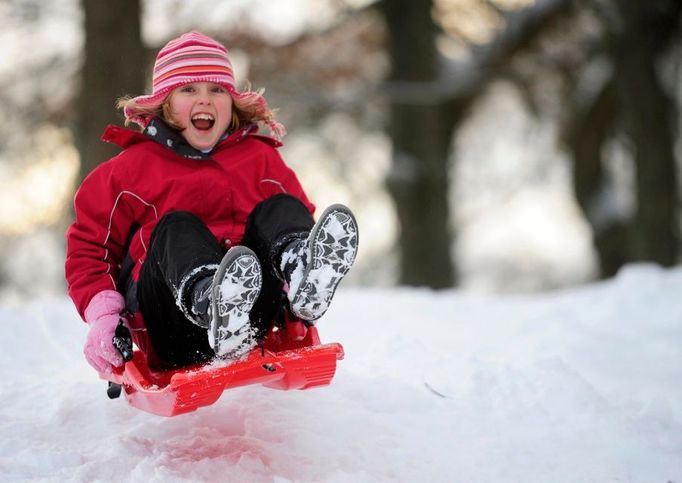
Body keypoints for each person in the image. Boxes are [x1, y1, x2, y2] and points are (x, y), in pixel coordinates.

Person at [65, 31, 359, 373]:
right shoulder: (128, 171)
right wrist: (104, 317)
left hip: (255, 318)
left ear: (231, 103)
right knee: (177, 227)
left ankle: (300, 271)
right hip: (171, 321)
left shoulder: (259, 159)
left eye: (216, 90)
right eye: (188, 89)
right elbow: (90, 248)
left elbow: (298, 214)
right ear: (165, 102)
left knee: (280, 208)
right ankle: (211, 298)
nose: (204, 100)